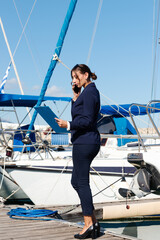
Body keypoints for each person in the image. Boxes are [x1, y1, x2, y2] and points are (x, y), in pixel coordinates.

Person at [55, 64, 101, 239]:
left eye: (76, 77)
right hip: (83, 141)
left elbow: (88, 120)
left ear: (86, 75)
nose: (74, 81)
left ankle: (89, 224)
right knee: (76, 181)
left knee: (81, 182)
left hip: (86, 142)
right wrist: (75, 96)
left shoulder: (90, 92)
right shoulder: (84, 93)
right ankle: (93, 222)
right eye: (72, 78)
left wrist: (68, 125)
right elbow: (79, 115)